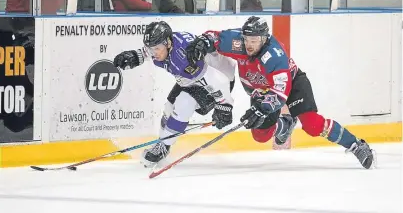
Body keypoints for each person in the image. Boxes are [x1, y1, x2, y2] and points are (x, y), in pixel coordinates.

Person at [185, 16, 376, 169]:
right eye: (247, 39)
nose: (249, 45)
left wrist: (263, 108)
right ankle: (283, 125)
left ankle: (356, 145)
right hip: (261, 90)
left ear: (264, 38)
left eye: (254, 40)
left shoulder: (275, 56)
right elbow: (215, 37)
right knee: (260, 136)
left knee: (312, 125)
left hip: (291, 85)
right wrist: (204, 42)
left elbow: (280, 93)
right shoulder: (239, 42)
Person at [113, 21, 235, 167]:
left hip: (219, 79)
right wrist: (136, 55)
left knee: (184, 103)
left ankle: (163, 146)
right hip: (190, 79)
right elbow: (151, 50)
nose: (153, 53)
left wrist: (224, 104)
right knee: (169, 108)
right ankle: (162, 144)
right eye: (150, 49)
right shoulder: (164, 47)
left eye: (156, 49)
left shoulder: (185, 57)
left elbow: (218, 80)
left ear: (168, 43)